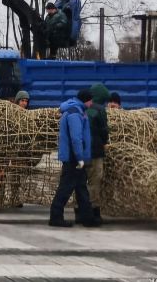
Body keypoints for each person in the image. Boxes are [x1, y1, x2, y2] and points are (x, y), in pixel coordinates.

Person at [49, 89, 99, 228]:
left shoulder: (77, 110)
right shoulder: (74, 113)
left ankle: (87, 218)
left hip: (75, 157)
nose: (92, 102)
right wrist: (80, 157)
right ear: (86, 100)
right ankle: (55, 216)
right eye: (91, 100)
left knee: (81, 188)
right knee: (66, 188)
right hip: (73, 158)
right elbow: (76, 138)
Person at [84, 83, 110, 224]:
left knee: (82, 181)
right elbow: (104, 130)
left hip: (81, 151)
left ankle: (79, 210)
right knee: (95, 180)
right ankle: (94, 212)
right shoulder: (100, 110)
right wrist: (105, 142)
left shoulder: (82, 107)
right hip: (95, 150)